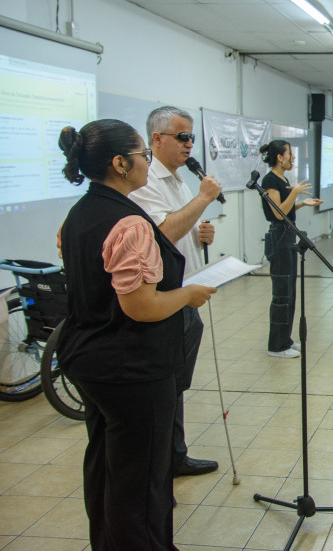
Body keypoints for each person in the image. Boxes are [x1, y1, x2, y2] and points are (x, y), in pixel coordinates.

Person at [57, 120, 216, 550]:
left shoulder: (79, 214)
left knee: (107, 462)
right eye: (143, 155)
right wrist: (188, 295)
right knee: (142, 477)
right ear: (120, 163)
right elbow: (141, 306)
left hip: (88, 357)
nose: (148, 162)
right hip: (130, 366)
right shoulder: (130, 223)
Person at [129, 106, 220, 478]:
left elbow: (181, 230)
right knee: (165, 386)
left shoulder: (179, 180)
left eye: (192, 138)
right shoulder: (146, 181)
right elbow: (161, 233)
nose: (189, 145)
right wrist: (203, 199)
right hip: (165, 298)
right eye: (182, 137)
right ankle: (163, 462)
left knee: (176, 385)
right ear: (156, 138)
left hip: (186, 294)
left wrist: (201, 235)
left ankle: (174, 455)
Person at [259, 140, 323, 357]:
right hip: (279, 237)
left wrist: (302, 203)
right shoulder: (269, 180)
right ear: (280, 157)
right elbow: (278, 214)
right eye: (290, 154)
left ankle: (285, 339)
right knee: (281, 294)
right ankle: (276, 346)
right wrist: (295, 192)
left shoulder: (282, 179)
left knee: (290, 292)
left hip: (287, 235)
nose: (293, 158)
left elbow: (286, 209)